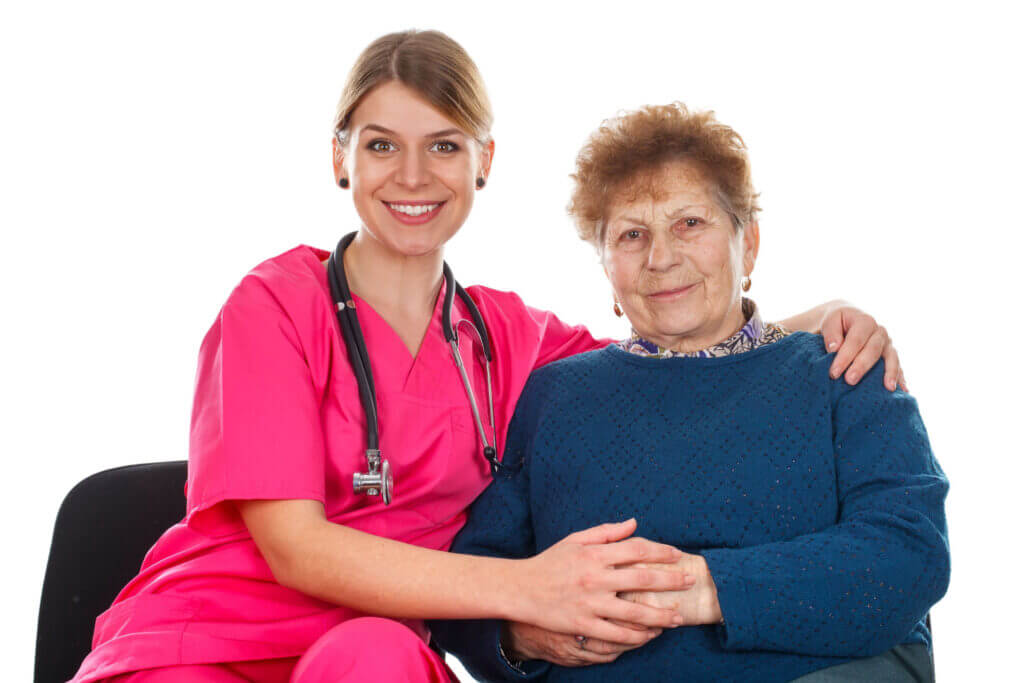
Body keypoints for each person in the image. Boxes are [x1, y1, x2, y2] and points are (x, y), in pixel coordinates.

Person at [71, 32, 906, 683]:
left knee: (375, 657)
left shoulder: (510, 338)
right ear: (340, 157)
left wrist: (823, 317)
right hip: (212, 635)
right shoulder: (274, 304)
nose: (412, 173)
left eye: (443, 145)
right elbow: (297, 550)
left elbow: (677, 346)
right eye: (379, 144)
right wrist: (527, 592)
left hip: (372, 650)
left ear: (484, 162)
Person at [430, 103, 949, 682]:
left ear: (747, 244)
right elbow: (473, 579)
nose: (661, 257)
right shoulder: (556, 396)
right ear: (606, 267)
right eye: (631, 235)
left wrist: (708, 589)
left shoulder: (844, 370)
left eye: (689, 224)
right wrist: (519, 632)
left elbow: (907, 556)